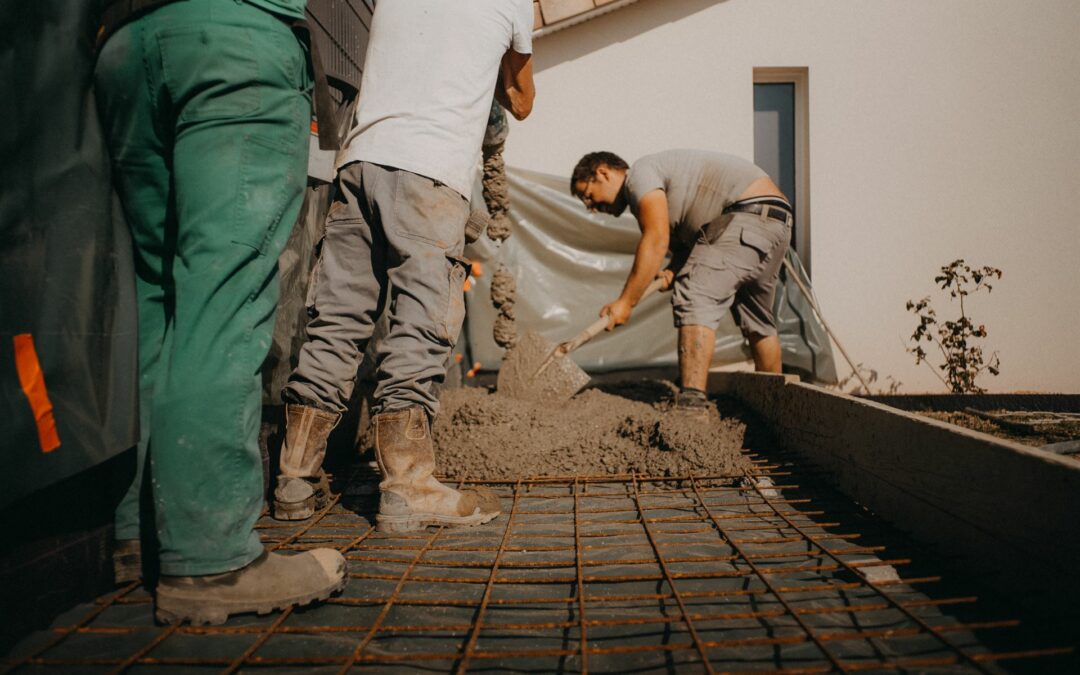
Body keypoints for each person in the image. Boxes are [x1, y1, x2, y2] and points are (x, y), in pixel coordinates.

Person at [94, 0, 346, 624]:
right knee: (223, 294)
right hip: (233, 36)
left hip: (125, 40)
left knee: (154, 294)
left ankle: (139, 534)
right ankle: (211, 561)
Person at [273, 0, 536, 530]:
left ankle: (293, 478)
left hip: (359, 162)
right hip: (430, 170)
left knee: (338, 321)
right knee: (421, 323)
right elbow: (523, 100)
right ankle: (408, 484)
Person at [570, 150, 792, 412]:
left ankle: (692, 405)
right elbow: (693, 243)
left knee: (694, 293)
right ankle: (773, 409)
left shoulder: (639, 176)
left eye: (588, 195)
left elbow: (656, 239)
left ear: (603, 173)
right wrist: (672, 269)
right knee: (758, 322)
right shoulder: (666, 188)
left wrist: (625, 302)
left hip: (744, 215)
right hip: (775, 220)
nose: (592, 208)